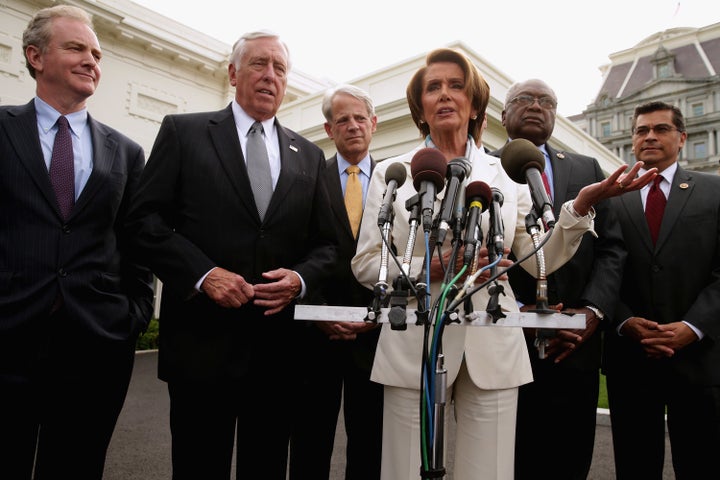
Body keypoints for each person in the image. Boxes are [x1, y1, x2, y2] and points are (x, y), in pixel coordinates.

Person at [350, 47, 654, 480]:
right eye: (433, 87)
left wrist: (578, 209)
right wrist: (425, 268)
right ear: (420, 106)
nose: (445, 95)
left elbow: (541, 258)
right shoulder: (393, 171)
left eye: (456, 86)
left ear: (475, 103)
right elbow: (366, 262)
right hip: (413, 337)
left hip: (491, 338)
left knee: (489, 471)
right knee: (403, 469)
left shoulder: (505, 171)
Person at [125, 30, 338, 479]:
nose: (270, 75)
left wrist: (300, 280)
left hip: (278, 353)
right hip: (202, 348)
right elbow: (144, 222)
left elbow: (328, 244)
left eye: (280, 68)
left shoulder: (310, 155)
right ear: (233, 73)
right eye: (259, 64)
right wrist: (203, 274)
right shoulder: (184, 133)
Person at [0, 5, 154, 479]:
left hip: (95, 347)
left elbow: (137, 245)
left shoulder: (126, 152)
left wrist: (132, 316)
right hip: (7, 340)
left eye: (97, 53)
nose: (92, 60)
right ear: (35, 56)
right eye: (76, 48)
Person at [490, 79, 625, 479]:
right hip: (508, 341)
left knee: (570, 458)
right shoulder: (485, 167)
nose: (535, 105)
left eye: (546, 101)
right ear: (503, 114)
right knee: (510, 459)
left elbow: (612, 248)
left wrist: (593, 311)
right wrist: (517, 313)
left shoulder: (587, 169)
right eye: (523, 99)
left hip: (576, 343)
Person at [603, 100, 720, 479]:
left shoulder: (714, 191)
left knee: (703, 462)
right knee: (636, 466)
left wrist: (694, 326)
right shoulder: (609, 199)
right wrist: (625, 321)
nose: (649, 136)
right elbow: (599, 270)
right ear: (632, 142)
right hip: (631, 357)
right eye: (641, 130)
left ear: (682, 138)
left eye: (661, 129)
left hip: (700, 357)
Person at [289, 84, 382, 479]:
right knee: (310, 442)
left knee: (371, 443)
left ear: (374, 124)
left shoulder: (401, 180)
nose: (353, 126)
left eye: (360, 118)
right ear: (329, 130)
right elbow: (295, 248)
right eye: (342, 120)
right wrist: (319, 312)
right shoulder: (305, 178)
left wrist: (377, 313)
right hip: (317, 334)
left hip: (377, 334)